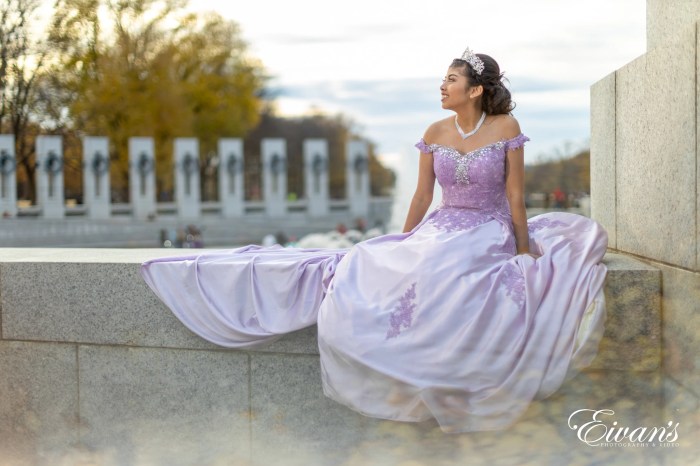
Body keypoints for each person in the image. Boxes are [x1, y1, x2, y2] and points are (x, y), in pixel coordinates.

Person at [141, 47, 608, 434]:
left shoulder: (505, 130)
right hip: (442, 223)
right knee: (389, 260)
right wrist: (404, 240)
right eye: (443, 79)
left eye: (450, 79)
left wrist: (523, 246)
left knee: (453, 271)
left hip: (488, 225)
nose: (442, 86)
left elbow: (514, 195)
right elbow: (425, 194)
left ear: (476, 89)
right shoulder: (434, 132)